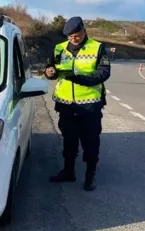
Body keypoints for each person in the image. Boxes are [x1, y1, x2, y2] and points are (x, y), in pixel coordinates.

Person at [44, 16, 111, 191]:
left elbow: (103, 73)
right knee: (69, 140)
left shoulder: (97, 48)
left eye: (77, 35)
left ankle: (90, 177)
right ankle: (68, 172)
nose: (74, 39)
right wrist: (49, 72)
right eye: (70, 36)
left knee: (90, 142)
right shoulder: (59, 48)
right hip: (66, 104)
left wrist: (80, 79)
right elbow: (51, 68)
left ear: (84, 31)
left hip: (89, 105)